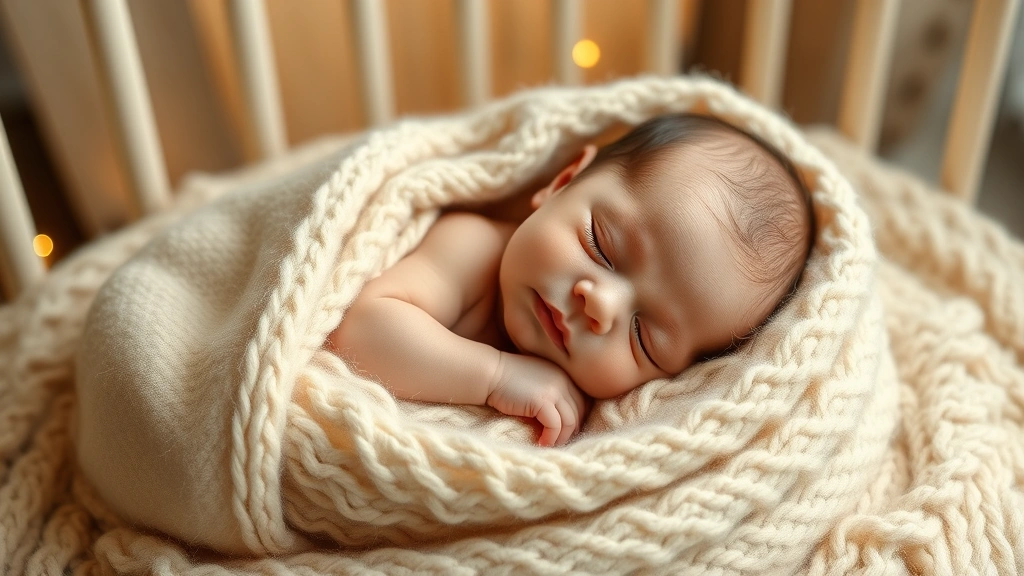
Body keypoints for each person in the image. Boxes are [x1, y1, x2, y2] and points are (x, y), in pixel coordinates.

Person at [328, 114, 814, 447]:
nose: (600, 305)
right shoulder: (470, 246)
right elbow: (363, 328)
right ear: (561, 184)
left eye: (645, 338)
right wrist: (496, 376)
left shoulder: (609, 407)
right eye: (600, 244)